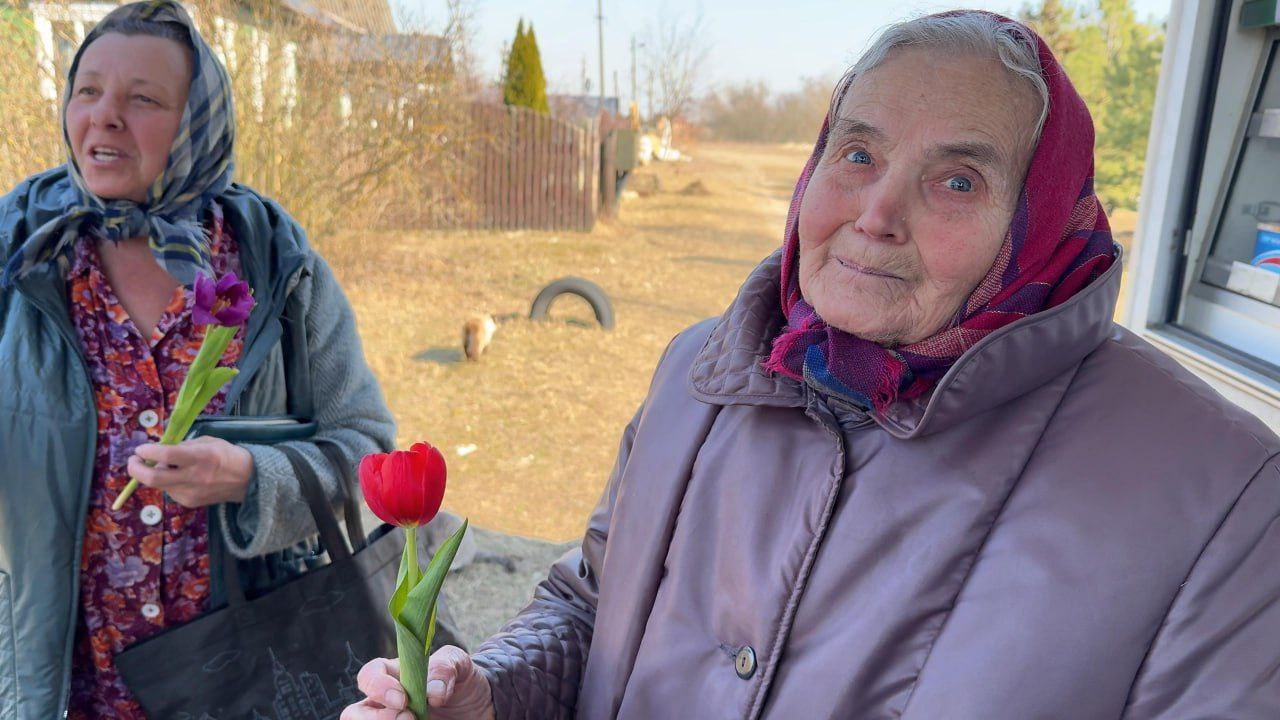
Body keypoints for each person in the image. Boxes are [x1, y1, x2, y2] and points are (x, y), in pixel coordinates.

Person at [345, 10, 1280, 720]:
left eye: (956, 180)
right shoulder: (700, 371)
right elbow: (592, 605)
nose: (876, 211)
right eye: (858, 151)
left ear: (1038, 218)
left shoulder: (1226, 496)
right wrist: (491, 692)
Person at [0, 2, 395, 717]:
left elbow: (366, 450)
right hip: (66, 687)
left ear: (198, 121)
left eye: (143, 98)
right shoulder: (22, 253)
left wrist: (252, 478)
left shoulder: (276, 260)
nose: (105, 116)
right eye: (88, 90)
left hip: (244, 680)